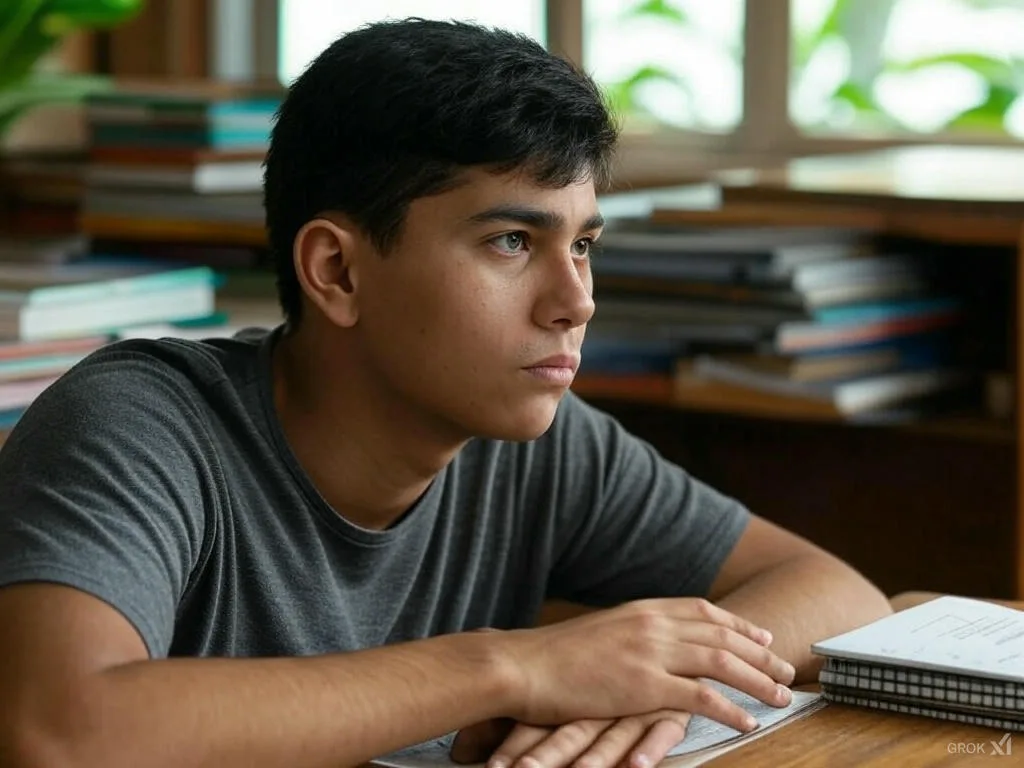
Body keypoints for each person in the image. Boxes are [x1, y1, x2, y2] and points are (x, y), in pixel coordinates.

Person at [0, 18, 892, 768]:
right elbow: (60, 728)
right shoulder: (138, 425)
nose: (575, 300)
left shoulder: (542, 442)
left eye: (582, 244)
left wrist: (659, 688)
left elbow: (836, 591)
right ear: (336, 270)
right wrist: (512, 669)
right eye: (511, 241)